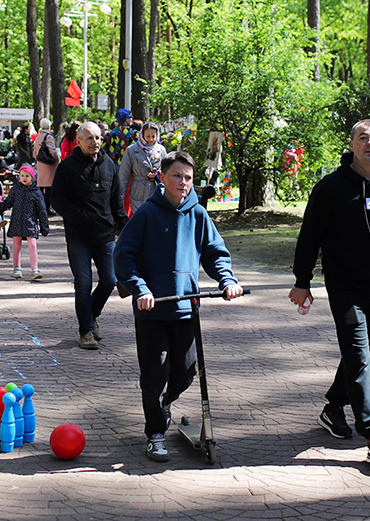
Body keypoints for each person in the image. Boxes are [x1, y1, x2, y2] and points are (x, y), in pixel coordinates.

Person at [288, 119, 370, 466]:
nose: (369, 143)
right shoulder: (330, 188)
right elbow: (310, 235)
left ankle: (333, 406)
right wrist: (303, 281)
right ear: (352, 144)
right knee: (358, 355)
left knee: (359, 356)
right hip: (345, 286)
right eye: (363, 138)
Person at [114, 150, 243, 462]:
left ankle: (161, 404)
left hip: (186, 308)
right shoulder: (146, 214)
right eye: (176, 176)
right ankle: (156, 433)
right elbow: (123, 257)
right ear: (162, 176)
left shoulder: (198, 213)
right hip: (152, 310)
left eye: (188, 177)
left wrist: (227, 280)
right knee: (154, 374)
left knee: (185, 373)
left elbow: (215, 252)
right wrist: (140, 288)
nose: (183, 182)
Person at [50, 121, 128, 350]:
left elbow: (117, 201)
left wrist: (125, 225)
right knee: (83, 283)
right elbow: (57, 199)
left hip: (104, 236)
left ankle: (91, 316)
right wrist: (78, 216)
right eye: (90, 138)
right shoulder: (67, 167)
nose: (95, 142)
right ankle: (86, 332)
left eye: (98, 138)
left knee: (110, 280)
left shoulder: (109, 166)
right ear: (79, 141)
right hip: (78, 237)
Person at [0, 165, 49, 280]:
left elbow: (42, 210)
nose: (24, 178)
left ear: (32, 177)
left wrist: (44, 226)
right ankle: (17, 268)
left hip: (30, 222)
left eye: (27, 176)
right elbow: (8, 202)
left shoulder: (36, 192)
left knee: (32, 245)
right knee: (16, 245)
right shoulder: (16, 189)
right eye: (22, 176)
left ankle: (35, 269)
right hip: (17, 221)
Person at [118, 121, 167, 215]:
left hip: (155, 188)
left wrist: (158, 174)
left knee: (154, 217)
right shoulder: (131, 150)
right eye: (148, 136)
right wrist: (120, 198)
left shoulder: (161, 149)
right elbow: (124, 175)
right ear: (142, 135)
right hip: (138, 189)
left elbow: (166, 169)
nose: (151, 139)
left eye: (154, 136)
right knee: (140, 217)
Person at [33, 118, 59, 214]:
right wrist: (57, 159)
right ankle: (47, 209)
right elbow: (52, 150)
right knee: (49, 188)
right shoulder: (48, 137)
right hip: (49, 165)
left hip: (40, 163)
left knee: (40, 187)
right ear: (49, 126)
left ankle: (39, 208)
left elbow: (34, 151)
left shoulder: (38, 137)